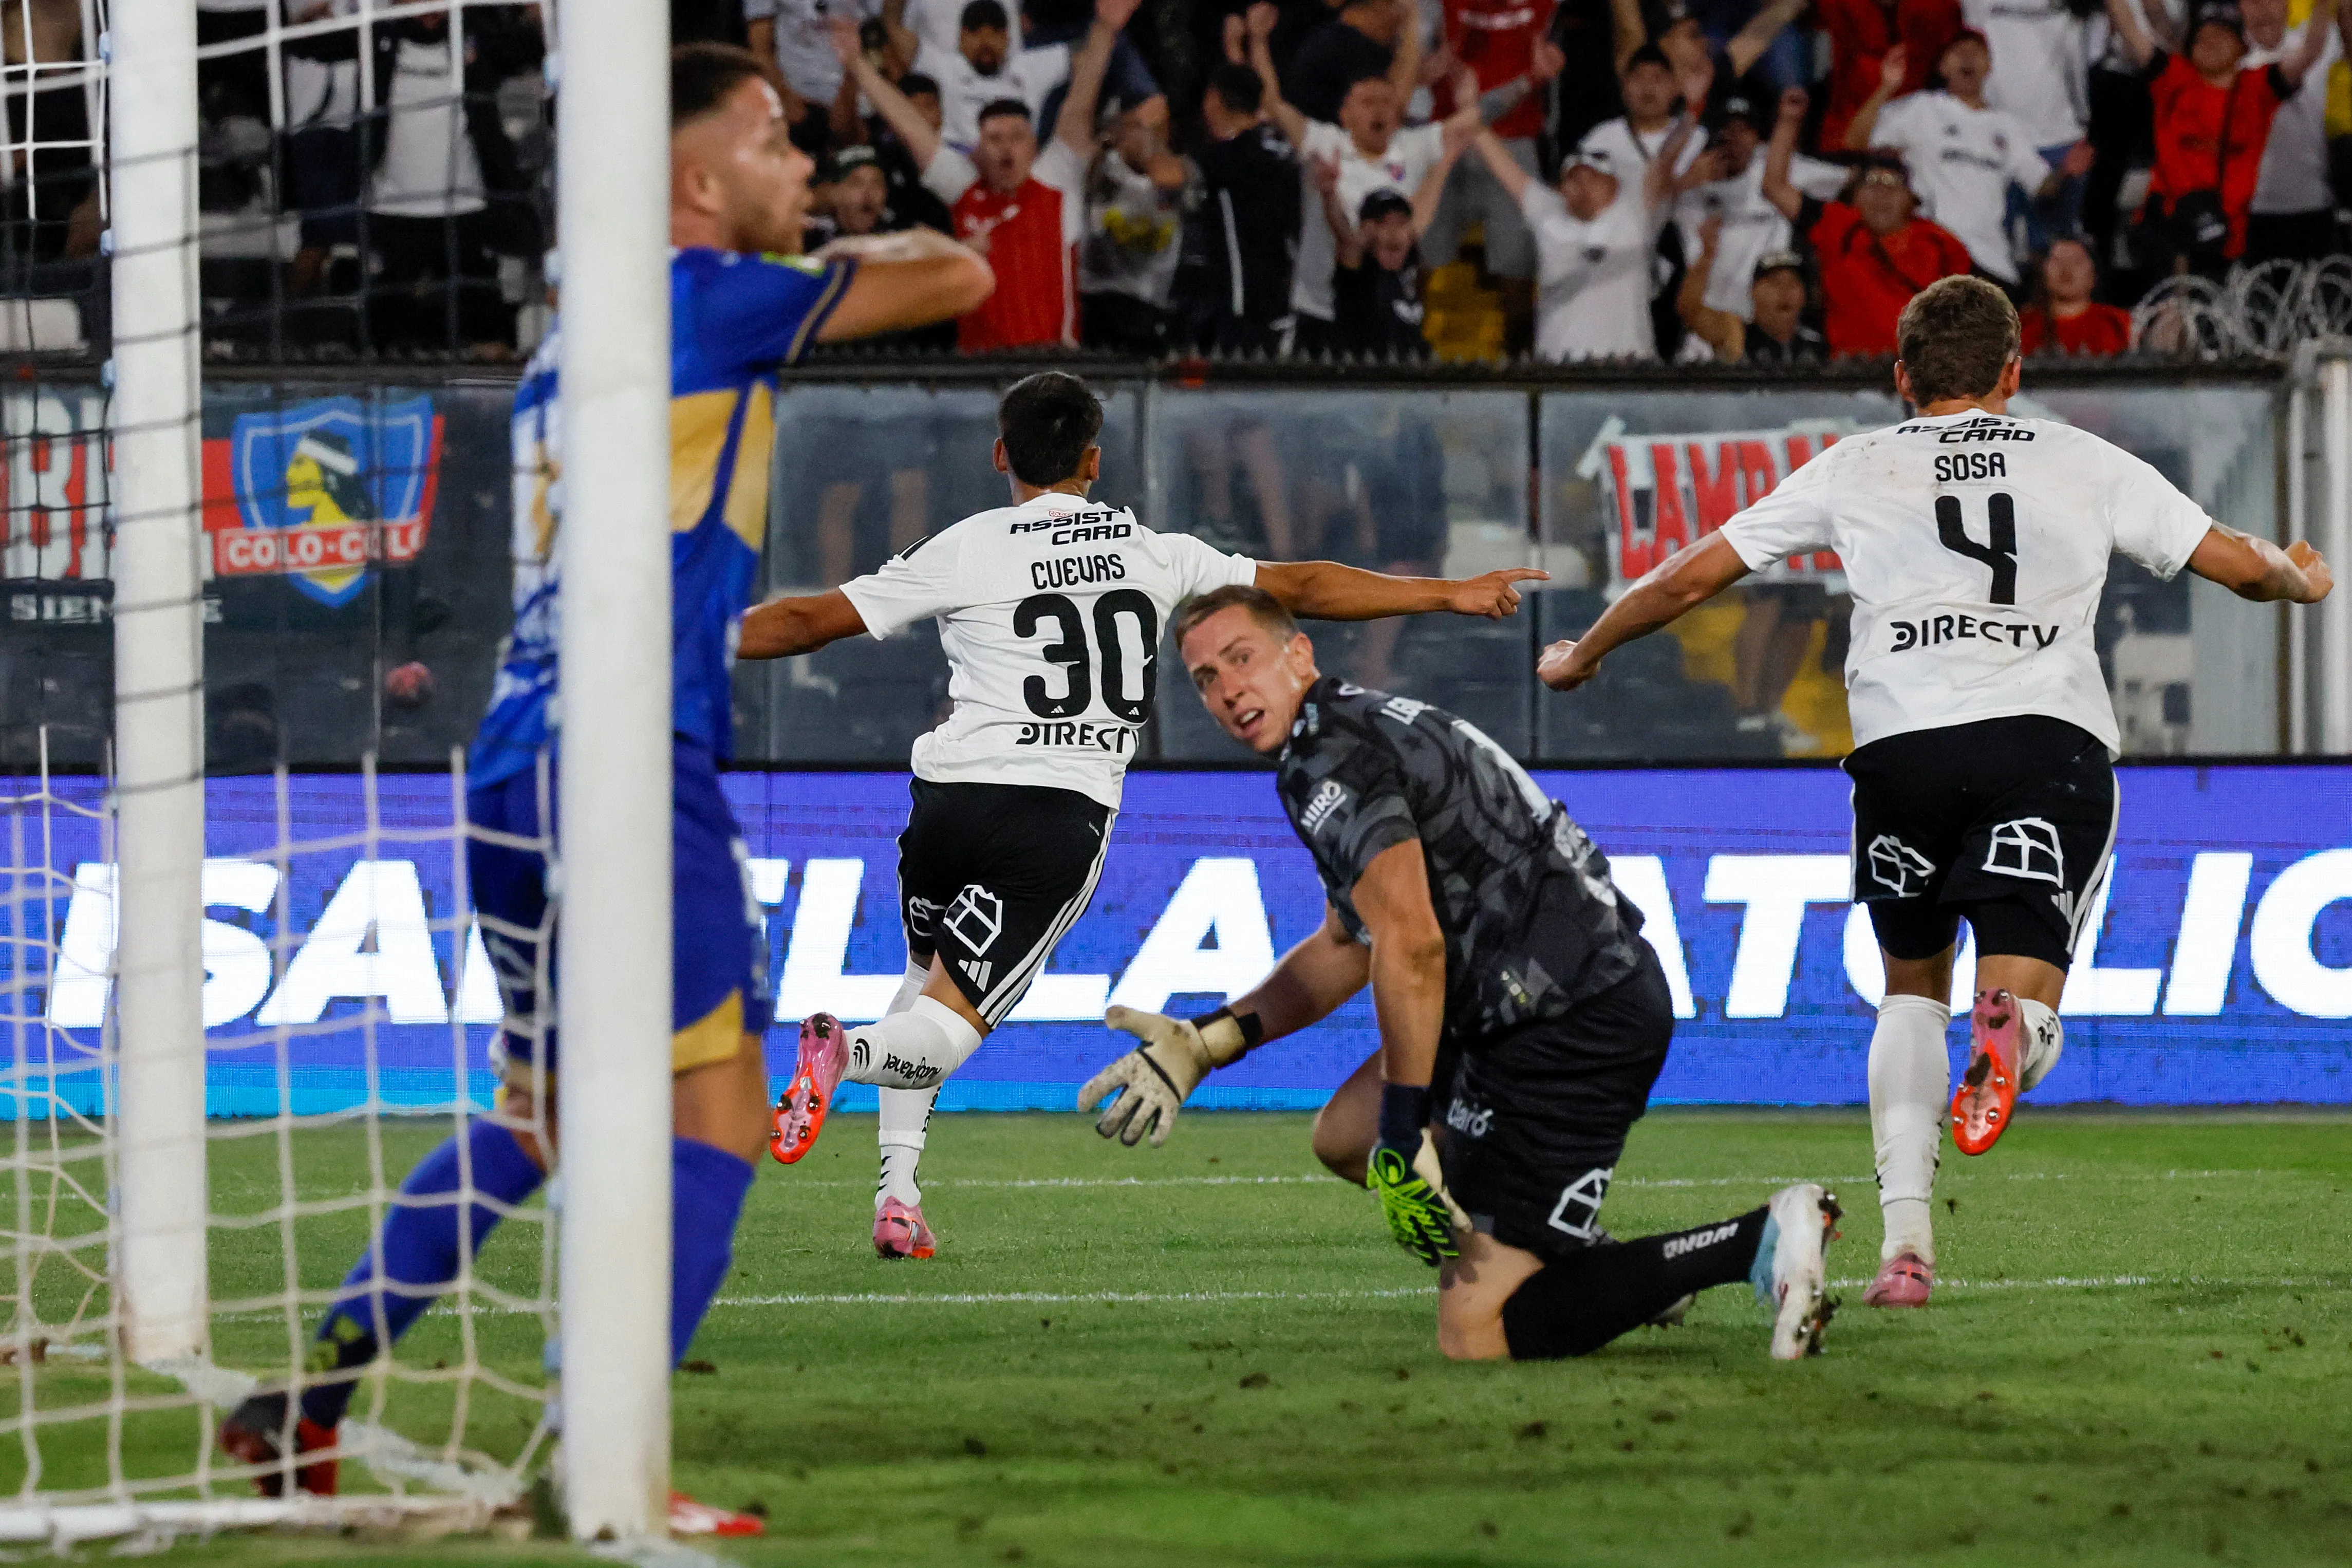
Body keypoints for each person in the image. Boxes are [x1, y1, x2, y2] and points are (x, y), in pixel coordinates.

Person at [214, 43, 994, 1530]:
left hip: (515, 759)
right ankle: (605, 1446)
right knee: (722, 1109)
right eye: (773, 140)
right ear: (695, 179)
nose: (801, 166)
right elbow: (962, 272)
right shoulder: (705, 296)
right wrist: (834, 241)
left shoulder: (571, 343)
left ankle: (306, 1397)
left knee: (543, 1113)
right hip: (631, 758)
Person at [1534, 275, 2333, 1309]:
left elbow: (1689, 575)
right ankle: (2017, 1033)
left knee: (1911, 991)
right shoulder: (2080, 457)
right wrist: (2295, 575)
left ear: (1901, 377)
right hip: (2041, 739)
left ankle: (1904, 1249)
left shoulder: (1854, 463)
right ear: (2013, 371)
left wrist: (1585, 651)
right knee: (2025, 988)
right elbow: (2236, 565)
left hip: (1902, 754)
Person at [742, 372, 1548, 1260]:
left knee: (922, 978)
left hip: (945, 804)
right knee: (941, 1030)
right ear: (1093, 461)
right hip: (1054, 817)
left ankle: (897, 1196)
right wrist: (1446, 593)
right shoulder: (1155, 553)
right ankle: (845, 1054)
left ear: (1001, 454)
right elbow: (1303, 584)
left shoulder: (965, 546)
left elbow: (807, 621)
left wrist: (680, 635)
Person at [1078, 585, 1845, 1365]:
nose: (1228, 688)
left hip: (1571, 1017)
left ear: (1298, 654)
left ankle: (1756, 1237)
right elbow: (1347, 943)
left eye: (1241, 658)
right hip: (1532, 994)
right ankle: (1578, 1253)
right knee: (1346, 1137)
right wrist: (1208, 1042)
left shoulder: (1334, 758)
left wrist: (1404, 1127)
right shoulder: (1340, 732)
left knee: (1476, 1332)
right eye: (1206, 678)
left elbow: (1411, 946)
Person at [843, 0, 1127, 348]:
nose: (1006, 148)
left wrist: (1104, 30)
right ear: (978, 150)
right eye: (995, 139)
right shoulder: (965, 188)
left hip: (1052, 362)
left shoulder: (1055, 181)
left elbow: (1080, 104)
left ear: (1034, 147)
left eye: (1017, 138)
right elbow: (912, 128)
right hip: (977, 369)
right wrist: (856, 64)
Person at [1245, 2, 1484, 356]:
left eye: (1386, 103)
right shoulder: (1326, 145)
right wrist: (1258, 41)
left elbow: (1466, 126)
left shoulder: (1411, 147)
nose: (1379, 109)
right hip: (1320, 306)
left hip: (1382, 308)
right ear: (1345, 114)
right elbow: (1273, 104)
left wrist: (1472, 100)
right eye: (1368, 102)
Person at [1840, 31, 2094, 290]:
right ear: (1943, 67)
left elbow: (2042, 185)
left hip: (1991, 263)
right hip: (1934, 256)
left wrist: (2067, 170)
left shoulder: (2008, 126)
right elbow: (1855, 142)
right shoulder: (1921, 109)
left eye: (1977, 53)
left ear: (1990, 66)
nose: (1968, 58)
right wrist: (1887, 87)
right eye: (1958, 52)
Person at [2103, 0, 2339, 275]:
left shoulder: (2258, 87)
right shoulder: (2173, 78)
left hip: (2227, 238)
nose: (2210, 44)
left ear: (2242, 47)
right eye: (2201, 38)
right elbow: (2130, 28)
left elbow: (2311, 50)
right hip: (2167, 228)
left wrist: (2324, 5)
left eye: (2221, 36)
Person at [1761, 88, 1972, 357]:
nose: (1882, 194)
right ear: (1855, 196)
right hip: (1852, 372)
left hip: (1916, 371)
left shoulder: (1939, 242)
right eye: (1872, 183)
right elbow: (1775, 187)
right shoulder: (1838, 225)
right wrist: (1789, 121)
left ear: (1912, 200)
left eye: (1893, 184)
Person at [1474, 117, 1691, 362]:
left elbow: (1665, 161)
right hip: (1559, 367)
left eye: (1592, 178)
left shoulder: (1634, 215)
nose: (1582, 186)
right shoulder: (1548, 213)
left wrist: (1691, 115)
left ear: (1613, 185)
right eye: (1573, 178)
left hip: (1629, 367)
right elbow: (1504, 167)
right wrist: (1474, 122)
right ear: (1561, 189)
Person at [1673, 85, 1844, 327]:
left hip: (1766, 322)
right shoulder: (1689, 187)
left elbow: (1850, 181)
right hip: (1708, 323)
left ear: (1757, 138)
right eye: (1726, 129)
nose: (1733, 139)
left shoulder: (1778, 169)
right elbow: (1643, 206)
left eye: (1744, 130)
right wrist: (1686, 182)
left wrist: (1789, 120)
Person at [1180, 57, 1302, 355]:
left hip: (1242, 309)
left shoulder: (1227, 158)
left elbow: (1166, 174)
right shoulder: (1285, 150)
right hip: (1285, 304)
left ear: (1213, 99)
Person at [1076, 89, 1189, 353]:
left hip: (1150, 304)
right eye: (1138, 127)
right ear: (1119, 131)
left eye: (1156, 129)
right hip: (1099, 301)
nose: (1149, 138)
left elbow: (1175, 181)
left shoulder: (1181, 174)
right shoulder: (1102, 169)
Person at [2242, 0, 2352, 264]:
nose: (2263, 8)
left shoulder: (2318, 43)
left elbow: (2324, 43)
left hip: (2313, 205)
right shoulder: (2224, 56)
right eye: (2253, 2)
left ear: (2286, 5)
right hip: (2247, 213)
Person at [890, 0, 1071, 151]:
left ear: (1007, 37)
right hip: (958, 167)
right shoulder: (944, 68)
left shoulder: (1029, 67)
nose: (986, 42)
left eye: (995, 33)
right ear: (961, 37)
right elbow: (892, 26)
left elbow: (1083, 57)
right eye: (976, 33)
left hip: (1018, 168)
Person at [1319, 174, 1448, 359]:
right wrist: (1329, 195)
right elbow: (1346, 239)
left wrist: (1444, 164)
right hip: (1368, 371)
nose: (1394, 232)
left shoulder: (1411, 270)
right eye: (1384, 224)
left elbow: (1421, 224)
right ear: (1367, 232)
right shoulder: (1359, 274)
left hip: (1410, 370)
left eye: (1401, 223)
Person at [1813, 0, 1964, 153]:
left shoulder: (1935, 8)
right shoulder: (1842, 6)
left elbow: (1963, 52)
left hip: (1914, 138)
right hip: (1845, 136)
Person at [1678, 229, 1826, 363]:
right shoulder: (1735, 335)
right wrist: (1706, 257)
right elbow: (1690, 309)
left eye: (1793, 283)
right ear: (1754, 292)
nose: (1785, 291)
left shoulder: (1817, 346)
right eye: (1774, 282)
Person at [1284, 0, 1423, 123]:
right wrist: (1412, 28)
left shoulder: (1369, 45)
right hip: (1322, 139)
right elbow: (1394, 110)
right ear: (1381, 7)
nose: (1400, 22)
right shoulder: (1341, 46)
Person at [2017, 235, 2134, 354]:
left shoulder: (2119, 323)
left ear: (2093, 275)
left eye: (2077, 262)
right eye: (2057, 261)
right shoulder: (2021, 325)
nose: (2066, 269)